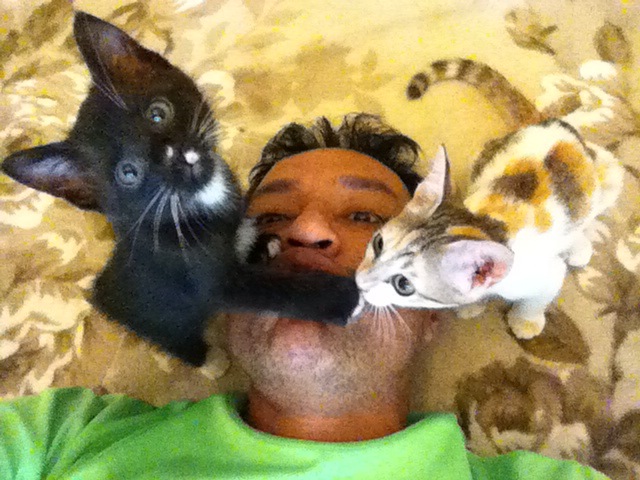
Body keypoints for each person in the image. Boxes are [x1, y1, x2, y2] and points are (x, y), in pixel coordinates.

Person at [0, 113, 608, 479]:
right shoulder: (59, 436)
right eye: (270, 220)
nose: (306, 231)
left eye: (366, 218)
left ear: (436, 315)